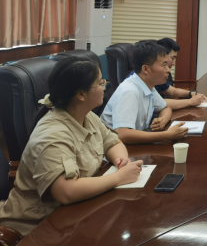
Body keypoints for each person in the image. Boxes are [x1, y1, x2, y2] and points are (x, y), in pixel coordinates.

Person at [0, 56, 144, 236]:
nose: (105, 86)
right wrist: (118, 178)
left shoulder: (86, 115)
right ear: (81, 95)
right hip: (37, 226)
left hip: (76, 212)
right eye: (100, 83)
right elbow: (66, 192)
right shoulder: (52, 135)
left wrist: (120, 160)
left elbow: (113, 142)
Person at [100, 43, 188, 144]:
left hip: (134, 144)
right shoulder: (129, 91)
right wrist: (167, 135)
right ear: (146, 69)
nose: (168, 70)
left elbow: (165, 108)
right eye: (164, 65)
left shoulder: (147, 85)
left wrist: (162, 120)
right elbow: (122, 134)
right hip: (115, 149)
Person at [127, 38, 207, 109]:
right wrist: (191, 101)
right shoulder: (133, 87)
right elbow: (160, 103)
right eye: (172, 58)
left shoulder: (154, 79)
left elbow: (169, 94)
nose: (173, 63)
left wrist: (191, 93)